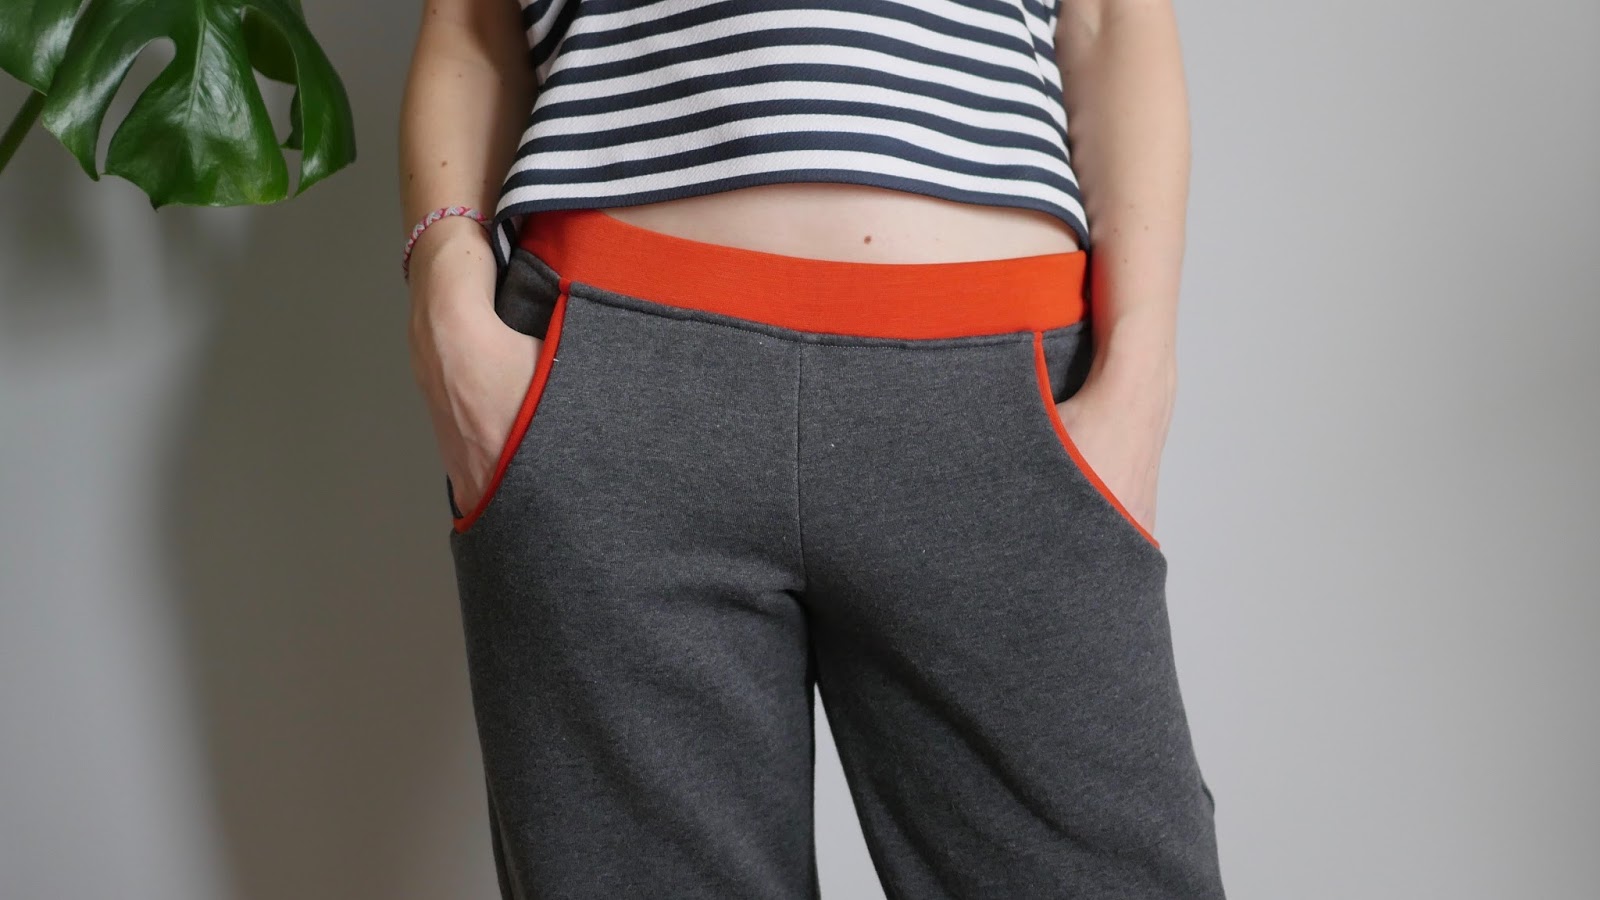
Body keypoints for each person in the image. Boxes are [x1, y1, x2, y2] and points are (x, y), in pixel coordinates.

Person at [399, 1, 1223, 897]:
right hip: (607, 385)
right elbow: (471, 23)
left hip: (1005, 401)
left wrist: (1139, 377)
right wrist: (447, 297)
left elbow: (1109, 20)